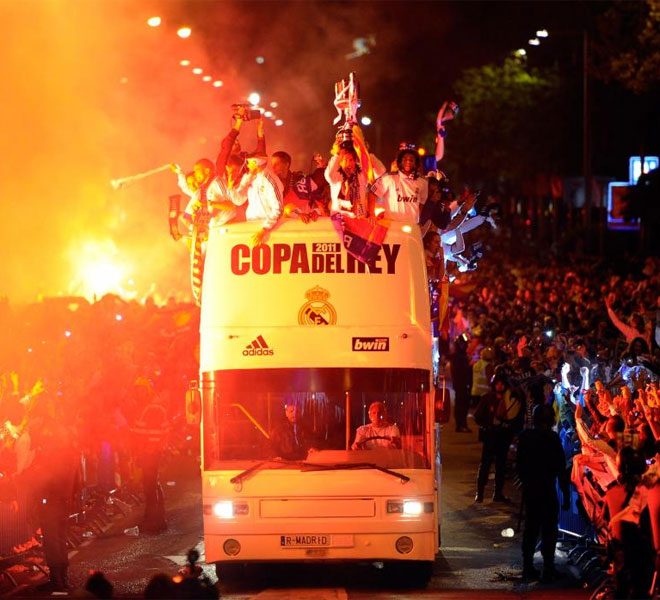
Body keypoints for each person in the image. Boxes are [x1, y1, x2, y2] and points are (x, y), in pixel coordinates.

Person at [516, 403, 570, 581]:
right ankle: (548, 567)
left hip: (532, 490)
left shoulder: (525, 437)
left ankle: (528, 566)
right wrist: (566, 493)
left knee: (531, 529)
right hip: (547, 490)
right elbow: (560, 467)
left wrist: (526, 481)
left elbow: (519, 465)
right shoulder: (552, 439)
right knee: (549, 530)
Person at [473, 369, 524, 502]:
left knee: (501, 466)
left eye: (502, 383)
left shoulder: (512, 399)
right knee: (485, 465)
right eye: (497, 383)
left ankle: (498, 493)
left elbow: (516, 418)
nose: (500, 386)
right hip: (490, 437)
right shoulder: (487, 398)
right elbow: (478, 417)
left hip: (503, 437)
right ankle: (480, 493)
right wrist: (490, 422)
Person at [230, 151, 284, 246]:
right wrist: (231, 188)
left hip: (267, 230)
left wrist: (264, 229)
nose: (247, 166)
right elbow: (239, 200)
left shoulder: (271, 180)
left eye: (249, 163)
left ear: (256, 163)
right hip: (251, 224)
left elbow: (278, 209)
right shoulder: (249, 177)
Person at [368, 143, 428, 224]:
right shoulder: (388, 178)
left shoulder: (423, 182)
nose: (408, 162)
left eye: (411, 160)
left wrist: (416, 220)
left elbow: (421, 204)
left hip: (412, 226)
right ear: (399, 162)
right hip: (391, 224)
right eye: (405, 159)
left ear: (416, 163)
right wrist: (372, 214)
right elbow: (372, 193)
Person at [325, 140, 372, 220]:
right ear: (340, 162)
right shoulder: (336, 176)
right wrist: (338, 154)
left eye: (351, 160)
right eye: (345, 160)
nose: (348, 163)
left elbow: (380, 170)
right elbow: (329, 175)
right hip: (340, 220)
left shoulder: (361, 175)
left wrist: (364, 152)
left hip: (360, 219)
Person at [450, 334, 473, 433]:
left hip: (462, 384)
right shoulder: (458, 357)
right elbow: (460, 372)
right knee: (461, 405)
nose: (467, 346)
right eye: (465, 344)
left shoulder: (461, 356)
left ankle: (462, 425)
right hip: (461, 385)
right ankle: (461, 425)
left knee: (463, 405)